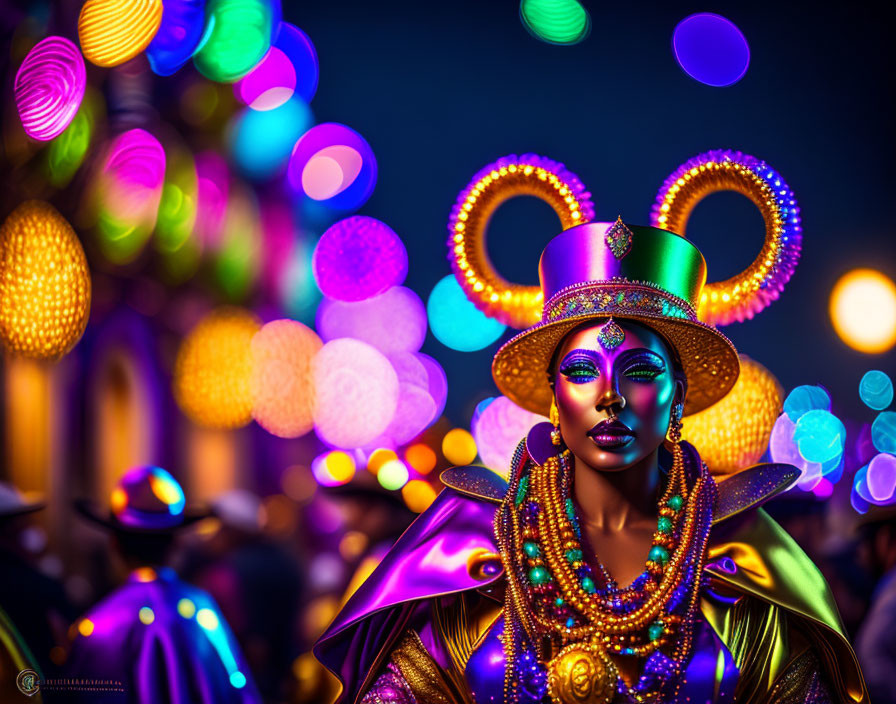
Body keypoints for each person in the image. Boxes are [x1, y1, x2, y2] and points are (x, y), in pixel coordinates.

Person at [314, 220, 867, 703]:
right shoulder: (478, 551)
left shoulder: (738, 559)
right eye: (582, 370)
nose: (610, 396)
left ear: (678, 393)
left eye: (641, 371)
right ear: (555, 398)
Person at [66, 466, 262, 703]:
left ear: (115, 544)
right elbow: (238, 691)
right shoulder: (201, 609)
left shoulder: (100, 624)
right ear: (177, 543)